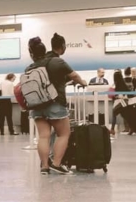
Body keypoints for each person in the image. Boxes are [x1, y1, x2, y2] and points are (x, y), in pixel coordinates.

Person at [26, 35, 86, 175]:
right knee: (63, 134)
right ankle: (57, 164)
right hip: (55, 104)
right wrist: (82, 82)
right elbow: (75, 76)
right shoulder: (57, 62)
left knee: (43, 136)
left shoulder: (30, 67)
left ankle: (44, 167)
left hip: (36, 105)